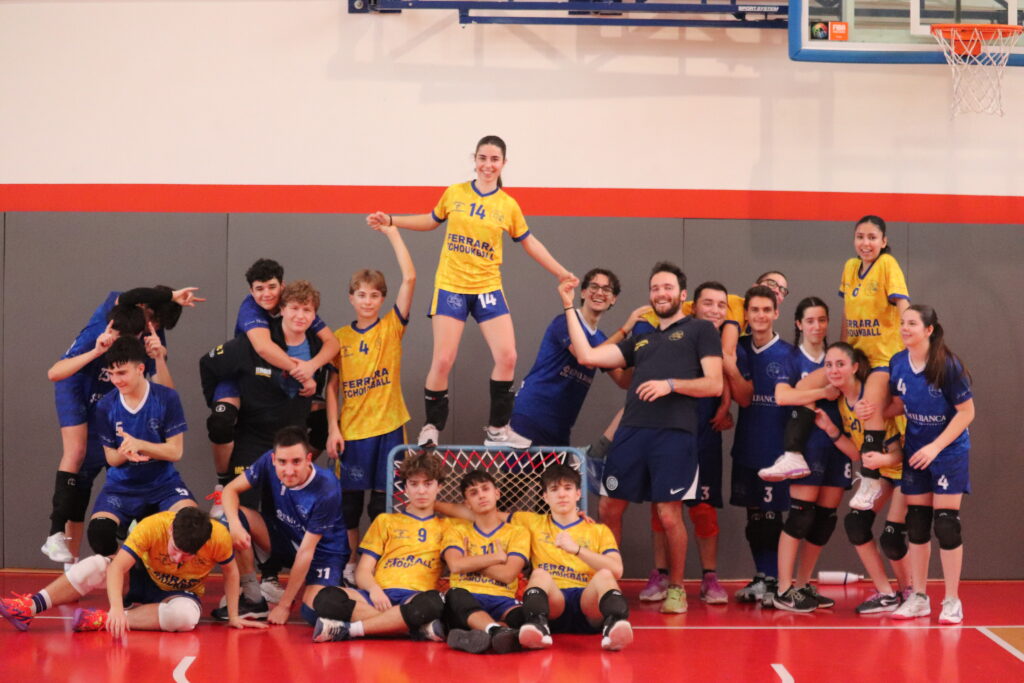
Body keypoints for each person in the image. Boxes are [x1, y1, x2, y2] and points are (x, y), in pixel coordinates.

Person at [367, 135, 576, 449]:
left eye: (494, 159)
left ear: (503, 163)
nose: (488, 165)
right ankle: (431, 427)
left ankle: (497, 429)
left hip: (487, 287)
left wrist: (560, 271)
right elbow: (431, 220)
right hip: (451, 284)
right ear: (475, 160)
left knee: (508, 356)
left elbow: (529, 242)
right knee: (443, 360)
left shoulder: (508, 205)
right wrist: (392, 220)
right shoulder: (455, 193)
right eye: (482, 158)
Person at [560, 262, 723, 614]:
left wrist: (670, 385)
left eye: (667, 287)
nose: (660, 293)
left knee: (668, 514)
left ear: (682, 294)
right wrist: (568, 306)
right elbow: (588, 356)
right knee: (608, 507)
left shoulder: (700, 330)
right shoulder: (642, 338)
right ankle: (608, 583)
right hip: (632, 433)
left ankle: (676, 588)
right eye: (655, 288)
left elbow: (714, 384)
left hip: (674, 435)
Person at [43, 285, 202, 565]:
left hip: (110, 392)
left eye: (158, 325)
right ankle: (58, 536)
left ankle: (126, 523)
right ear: (144, 307)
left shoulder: (150, 335)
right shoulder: (110, 320)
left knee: (122, 459)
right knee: (78, 454)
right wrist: (171, 295)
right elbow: (55, 372)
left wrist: (159, 358)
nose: (154, 327)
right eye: (152, 319)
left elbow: (166, 397)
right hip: (79, 382)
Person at [770, 218, 910, 508]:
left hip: (882, 357)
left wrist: (910, 338)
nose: (865, 243)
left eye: (872, 237)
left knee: (870, 405)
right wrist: (841, 348)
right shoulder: (849, 267)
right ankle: (793, 454)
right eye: (860, 236)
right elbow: (847, 311)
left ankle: (870, 478)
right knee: (804, 387)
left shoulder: (887, 264)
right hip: (854, 356)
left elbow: (903, 304)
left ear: (883, 241)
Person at [206, 260, 340, 514]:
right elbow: (264, 348)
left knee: (321, 422)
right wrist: (304, 376)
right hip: (240, 375)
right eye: (259, 288)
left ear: (282, 286)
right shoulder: (251, 309)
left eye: (271, 287)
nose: (266, 294)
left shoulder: (295, 304)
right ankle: (223, 484)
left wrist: (312, 366)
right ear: (251, 291)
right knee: (221, 421)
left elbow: (332, 343)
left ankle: (290, 467)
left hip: (281, 386)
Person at [1, 507, 264, 635]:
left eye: (187, 555)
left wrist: (233, 616)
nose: (178, 559)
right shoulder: (152, 526)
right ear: (170, 530)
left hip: (181, 591)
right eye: (175, 549)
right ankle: (30, 607)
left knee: (185, 619)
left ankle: (101, 620)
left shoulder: (218, 537)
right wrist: (117, 606)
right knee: (97, 564)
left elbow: (231, 573)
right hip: (142, 577)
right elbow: (118, 567)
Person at [325, 223, 416, 585]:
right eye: (361, 294)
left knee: (382, 504)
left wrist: (393, 232)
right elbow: (332, 388)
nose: (367, 301)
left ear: (382, 299)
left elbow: (410, 278)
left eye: (374, 295)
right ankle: (350, 562)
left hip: (389, 428)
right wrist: (333, 429)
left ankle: (374, 563)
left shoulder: (391, 328)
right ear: (351, 297)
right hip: (353, 432)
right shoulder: (338, 338)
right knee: (349, 505)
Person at [637, 281, 734, 606]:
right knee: (663, 508)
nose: (715, 310)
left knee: (704, 510)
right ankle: (660, 574)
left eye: (721, 305)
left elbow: (724, 380)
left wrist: (725, 403)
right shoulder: (675, 336)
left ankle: (710, 578)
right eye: (708, 303)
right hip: (669, 433)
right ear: (693, 306)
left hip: (704, 435)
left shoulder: (726, 340)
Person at [886, 306, 974, 625]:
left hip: (948, 452)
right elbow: (898, 403)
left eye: (912, 323)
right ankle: (919, 598)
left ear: (929, 330)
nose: (904, 328)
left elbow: (966, 412)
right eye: (902, 323)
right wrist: (872, 409)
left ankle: (952, 600)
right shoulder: (898, 363)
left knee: (946, 524)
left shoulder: (947, 365)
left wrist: (936, 447)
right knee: (918, 523)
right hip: (916, 450)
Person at [765, 298, 850, 612]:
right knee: (800, 516)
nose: (817, 326)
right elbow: (783, 397)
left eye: (822, 320)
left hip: (836, 444)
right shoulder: (790, 357)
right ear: (799, 324)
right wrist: (821, 393)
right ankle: (783, 589)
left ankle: (802, 585)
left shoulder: (837, 357)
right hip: (807, 446)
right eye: (810, 320)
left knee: (824, 520)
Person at [310, 451, 448, 643]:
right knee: (325, 597)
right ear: (405, 488)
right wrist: (374, 590)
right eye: (414, 484)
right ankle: (410, 628)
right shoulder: (385, 521)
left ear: (439, 486)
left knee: (432, 603)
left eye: (428, 484)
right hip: (377, 596)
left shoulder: (448, 527)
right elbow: (363, 571)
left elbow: (477, 516)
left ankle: (349, 629)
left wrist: (440, 506)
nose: (421, 491)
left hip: (415, 597)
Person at [219, 426, 349, 626]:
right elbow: (229, 490)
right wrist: (235, 525)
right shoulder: (267, 461)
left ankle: (340, 586)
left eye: (296, 461)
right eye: (282, 462)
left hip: (323, 554)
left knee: (316, 611)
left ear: (308, 459)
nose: (288, 471)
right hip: (287, 540)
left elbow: (306, 552)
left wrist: (284, 605)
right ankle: (253, 599)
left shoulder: (327, 488)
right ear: (273, 459)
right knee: (227, 520)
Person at [84, 336, 199, 562]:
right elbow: (111, 459)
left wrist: (141, 445)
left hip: (163, 484)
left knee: (190, 524)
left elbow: (175, 452)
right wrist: (125, 452)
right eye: (111, 373)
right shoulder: (105, 406)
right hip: (122, 487)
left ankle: (156, 566)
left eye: (122, 373)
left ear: (140, 369)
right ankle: (122, 569)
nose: (116, 380)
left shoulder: (166, 397)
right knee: (99, 534)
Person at [816, 342, 911, 615]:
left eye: (840, 364)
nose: (834, 370)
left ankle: (910, 591)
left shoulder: (870, 401)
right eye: (829, 365)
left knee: (891, 538)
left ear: (855, 367)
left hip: (903, 471)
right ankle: (886, 594)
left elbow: (898, 454)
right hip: (882, 473)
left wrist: (881, 461)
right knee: (856, 523)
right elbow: (857, 454)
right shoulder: (843, 404)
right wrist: (831, 430)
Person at [722, 285, 794, 606]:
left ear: (776, 312)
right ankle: (762, 576)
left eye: (767, 310)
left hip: (776, 451)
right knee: (754, 520)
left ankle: (778, 580)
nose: (761, 315)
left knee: (771, 518)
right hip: (746, 447)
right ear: (746, 315)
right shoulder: (737, 347)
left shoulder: (790, 355)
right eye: (754, 310)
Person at [508, 464, 631, 651]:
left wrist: (577, 550)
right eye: (554, 489)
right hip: (553, 604)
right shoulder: (530, 522)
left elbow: (617, 570)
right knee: (539, 574)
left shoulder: (598, 530)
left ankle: (614, 625)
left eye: (568, 488)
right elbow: (484, 516)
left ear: (578, 494)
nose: (562, 495)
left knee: (605, 575)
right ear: (545, 497)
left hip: (588, 605)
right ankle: (537, 626)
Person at [509, 267, 630, 447]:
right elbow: (587, 359)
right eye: (594, 287)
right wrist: (626, 329)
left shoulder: (602, 340)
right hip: (531, 415)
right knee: (518, 469)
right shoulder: (565, 321)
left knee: (559, 468)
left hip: (560, 426)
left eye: (606, 289)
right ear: (583, 292)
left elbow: (623, 381)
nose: (599, 293)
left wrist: (643, 344)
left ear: (613, 298)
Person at [441, 470, 529, 654]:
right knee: (454, 595)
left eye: (485, 489)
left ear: (497, 493)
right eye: (473, 493)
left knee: (527, 618)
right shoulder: (456, 531)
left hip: (503, 600)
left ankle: (481, 635)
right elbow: (455, 565)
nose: (481, 495)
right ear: (467, 504)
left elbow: (508, 574)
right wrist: (495, 557)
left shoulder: (517, 532)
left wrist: (470, 561)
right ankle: (496, 631)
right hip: (466, 598)